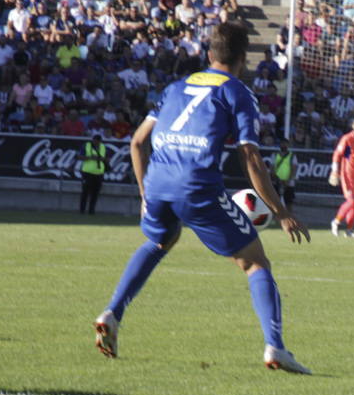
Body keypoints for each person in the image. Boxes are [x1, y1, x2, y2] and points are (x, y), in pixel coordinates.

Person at [93, 22, 313, 375]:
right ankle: (276, 347)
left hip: (158, 182)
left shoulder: (175, 87)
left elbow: (137, 142)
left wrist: (145, 193)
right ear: (243, 58)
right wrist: (281, 211)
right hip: (196, 185)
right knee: (255, 262)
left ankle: (112, 312)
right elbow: (251, 158)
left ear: (209, 54)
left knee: (162, 238)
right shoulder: (238, 92)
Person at [80, 133, 107, 215]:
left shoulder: (103, 147)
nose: (97, 143)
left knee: (95, 193)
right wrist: (90, 157)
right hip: (87, 172)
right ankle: (82, 210)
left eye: (98, 142)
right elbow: (79, 156)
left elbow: (108, 159)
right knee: (85, 192)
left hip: (99, 173)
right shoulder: (87, 145)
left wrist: (100, 158)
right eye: (95, 141)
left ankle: (91, 211)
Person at [270, 136, 298, 212]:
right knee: (275, 201)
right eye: (282, 143)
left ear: (288, 145)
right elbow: (272, 168)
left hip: (289, 183)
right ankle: (275, 218)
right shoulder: (275, 155)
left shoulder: (292, 156)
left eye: (285, 143)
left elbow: (294, 169)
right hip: (277, 182)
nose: (283, 145)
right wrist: (276, 179)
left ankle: (291, 217)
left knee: (289, 202)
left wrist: (288, 181)